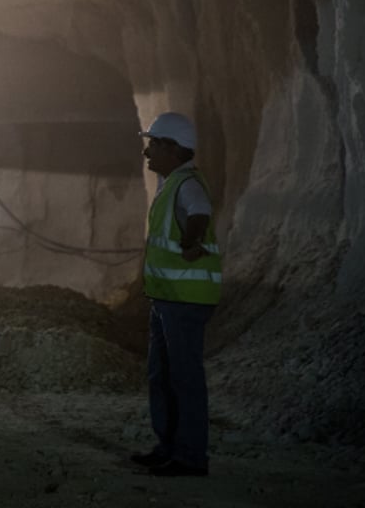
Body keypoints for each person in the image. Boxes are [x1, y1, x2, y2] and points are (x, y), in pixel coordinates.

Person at [131, 112, 223, 477]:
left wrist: (192, 238)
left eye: (153, 144)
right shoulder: (171, 184)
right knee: (162, 374)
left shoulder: (187, 184)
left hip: (186, 300)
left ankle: (190, 457)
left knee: (184, 377)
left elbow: (199, 212)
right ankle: (168, 446)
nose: (147, 152)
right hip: (167, 298)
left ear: (172, 148)